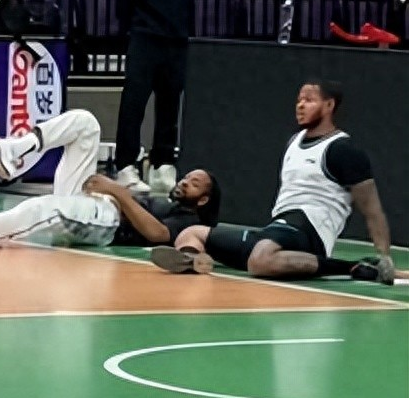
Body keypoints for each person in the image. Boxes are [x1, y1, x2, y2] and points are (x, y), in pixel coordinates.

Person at [150, 79, 396, 285]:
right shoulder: (294, 142)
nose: (300, 105)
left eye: (309, 100)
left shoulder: (343, 150)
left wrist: (384, 257)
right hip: (278, 229)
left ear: (329, 105)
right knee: (192, 233)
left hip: (310, 230)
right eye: (299, 100)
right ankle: (192, 260)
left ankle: (352, 267)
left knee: (260, 260)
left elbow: (372, 209)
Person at [0, 108, 220, 249]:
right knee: (86, 122)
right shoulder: (167, 202)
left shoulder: (191, 221)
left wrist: (118, 192)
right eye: (187, 177)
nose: (184, 181)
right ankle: (12, 153)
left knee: (46, 206)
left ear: (203, 199)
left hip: (107, 224)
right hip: (99, 203)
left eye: (194, 183)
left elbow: (158, 235)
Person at [114, 0, 198, 196]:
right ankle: (125, 165)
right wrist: (134, 31)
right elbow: (123, 4)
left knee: (170, 106)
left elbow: (187, 7)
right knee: (133, 104)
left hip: (175, 44)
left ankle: (163, 164)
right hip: (145, 41)